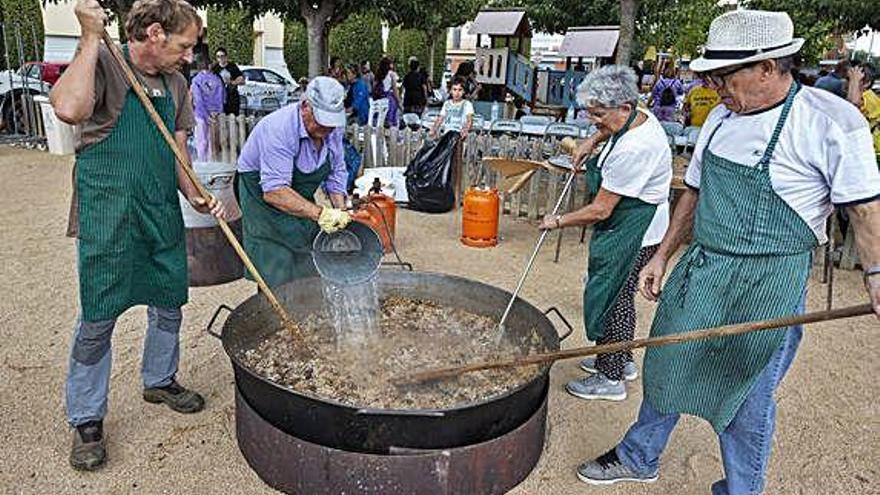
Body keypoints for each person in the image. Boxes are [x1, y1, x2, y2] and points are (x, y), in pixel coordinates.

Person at [576, 10, 880, 493]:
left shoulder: (830, 122)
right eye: (711, 75)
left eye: (724, 75)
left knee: (747, 397)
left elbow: (865, 212)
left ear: (768, 67)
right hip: (704, 269)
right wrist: (662, 256)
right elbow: (693, 193)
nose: (715, 86)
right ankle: (639, 455)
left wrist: (876, 277)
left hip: (769, 282)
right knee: (665, 364)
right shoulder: (720, 118)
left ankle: (742, 488)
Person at [50, 0, 227, 471]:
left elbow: (178, 149)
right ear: (154, 33)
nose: (190, 56)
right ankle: (87, 418)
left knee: (169, 298)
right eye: (185, 45)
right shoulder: (105, 60)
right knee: (100, 311)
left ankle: (160, 379)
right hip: (108, 211)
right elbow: (68, 108)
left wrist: (194, 193)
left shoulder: (176, 83)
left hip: (157, 207)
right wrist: (89, 38)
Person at [543, 65, 671, 402]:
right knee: (620, 294)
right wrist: (593, 138)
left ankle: (610, 378)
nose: (594, 121)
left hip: (635, 229)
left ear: (624, 107)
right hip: (632, 223)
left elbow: (600, 210)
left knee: (613, 299)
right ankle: (620, 358)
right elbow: (610, 128)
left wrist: (557, 221)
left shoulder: (634, 149)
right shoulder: (635, 115)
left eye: (599, 115)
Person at [236, 77, 352, 287]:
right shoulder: (279, 128)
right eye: (321, 120)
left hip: (296, 193)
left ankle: (306, 306)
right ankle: (273, 314)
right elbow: (274, 191)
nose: (327, 128)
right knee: (275, 261)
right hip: (263, 197)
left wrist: (340, 212)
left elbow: (336, 172)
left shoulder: (331, 129)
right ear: (305, 105)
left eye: (332, 122)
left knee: (307, 254)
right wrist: (321, 214)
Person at [191, 58, 225, 160]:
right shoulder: (217, 80)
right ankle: (211, 161)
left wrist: (206, 115)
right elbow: (222, 97)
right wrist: (217, 112)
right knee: (212, 140)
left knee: (201, 140)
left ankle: (202, 161)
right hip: (215, 113)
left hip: (201, 114)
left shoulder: (196, 80)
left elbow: (198, 100)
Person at [847, 63, 880, 158]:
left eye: (849, 79)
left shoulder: (869, 96)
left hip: (873, 152)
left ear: (867, 83)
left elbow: (852, 105)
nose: (847, 83)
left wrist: (854, 81)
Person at [212, 47, 244, 115]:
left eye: (222, 56)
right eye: (218, 56)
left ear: (226, 57)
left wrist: (232, 82)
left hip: (232, 98)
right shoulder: (215, 68)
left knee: (232, 118)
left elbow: (241, 80)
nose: (220, 58)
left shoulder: (232, 66)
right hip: (219, 98)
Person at [372, 56, 401, 128]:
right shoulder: (392, 74)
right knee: (391, 123)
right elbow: (395, 90)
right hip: (389, 100)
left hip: (379, 99)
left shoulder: (378, 74)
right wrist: (399, 102)